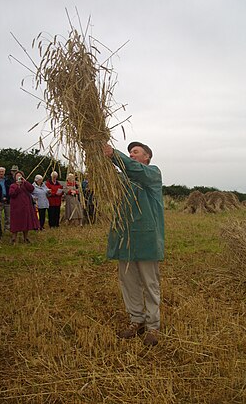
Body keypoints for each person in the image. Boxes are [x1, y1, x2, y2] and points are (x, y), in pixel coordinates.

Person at [104, 141, 164, 346]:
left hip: (146, 238)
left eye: (135, 152)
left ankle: (153, 325)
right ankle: (136, 321)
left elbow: (136, 170)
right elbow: (107, 179)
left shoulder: (152, 174)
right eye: (129, 152)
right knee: (128, 283)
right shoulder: (124, 179)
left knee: (150, 283)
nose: (131, 154)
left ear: (147, 157)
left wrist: (114, 155)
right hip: (125, 238)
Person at [9, 171, 40, 244]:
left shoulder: (25, 184)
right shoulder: (13, 185)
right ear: (15, 177)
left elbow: (32, 189)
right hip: (16, 207)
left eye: (20, 175)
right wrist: (18, 187)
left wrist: (25, 182)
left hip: (26, 207)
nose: (19, 177)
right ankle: (14, 238)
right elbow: (11, 194)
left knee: (26, 222)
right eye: (17, 176)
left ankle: (26, 238)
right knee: (16, 222)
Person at [0, 167, 11, 231]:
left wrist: (8, 198)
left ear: (4, 172)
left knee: (8, 216)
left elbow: (11, 190)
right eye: (0, 171)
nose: (1, 173)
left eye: (2, 171)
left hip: (7, 200)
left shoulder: (8, 180)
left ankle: (7, 228)